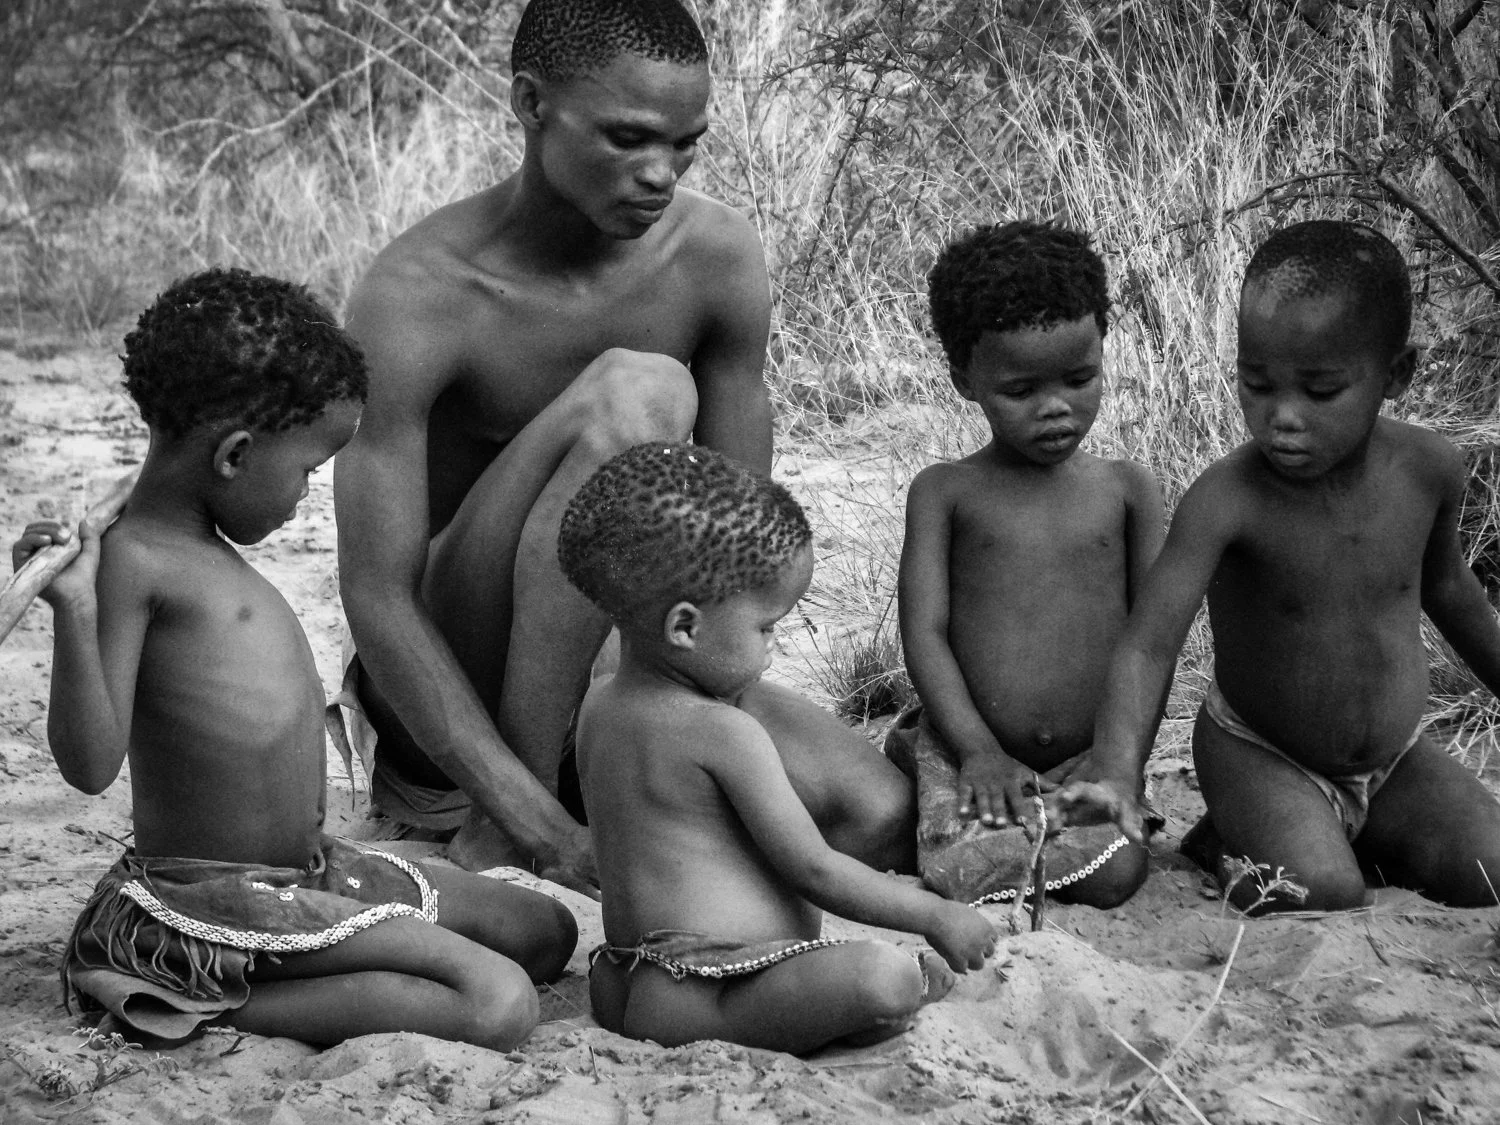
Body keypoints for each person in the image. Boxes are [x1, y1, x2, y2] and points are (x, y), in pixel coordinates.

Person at [333, 0, 912, 884]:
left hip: (620, 671)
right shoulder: (419, 294)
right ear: (531, 103)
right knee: (639, 395)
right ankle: (523, 810)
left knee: (876, 816)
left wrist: (705, 723)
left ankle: (592, 776)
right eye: (628, 138)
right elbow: (378, 597)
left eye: (685, 145)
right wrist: (534, 821)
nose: (660, 173)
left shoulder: (714, 258)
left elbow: (729, 552)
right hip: (452, 704)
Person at [10, 268, 577, 1048]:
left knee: (542, 929)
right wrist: (75, 610)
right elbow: (88, 762)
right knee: (497, 1001)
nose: (306, 492)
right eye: (307, 469)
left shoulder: (200, 549)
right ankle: (205, 997)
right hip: (214, 903)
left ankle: (297, 962)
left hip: (311, 872)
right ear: (236, 456)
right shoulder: (133, 564)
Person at [1060, 220, 1500, 913]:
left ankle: (1333, 832)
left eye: (1320, 391)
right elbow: (1149, 644)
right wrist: (1118, 769)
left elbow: (1452, 591)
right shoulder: (1228, 499)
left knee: (1491, 869)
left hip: (1393, 760)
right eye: (1257, 384)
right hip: (1260, 752)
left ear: (1396, 374)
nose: (1282, 417)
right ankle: (1232, 837)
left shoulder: (1428, 470)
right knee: (1321, 890)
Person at [558, 443, 996, 1053]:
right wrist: (935, 916)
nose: (772, 646)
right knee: (883, 976)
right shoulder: (722, 731)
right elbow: (814, 869)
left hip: (623, 979)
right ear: (684, 627)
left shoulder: (600, 705)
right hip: (712, 985)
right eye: (766, 627)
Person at [885, 221, 1166, 908]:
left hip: (1092, 755)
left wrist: (1121, 755)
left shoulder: (1129, 489)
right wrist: (977, 749)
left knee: (1113, 873)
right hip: (971, 751)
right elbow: (924, 634)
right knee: (962, 869)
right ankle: (931, 782)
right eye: (1020, 389)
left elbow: (1153, 640)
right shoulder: (945, 492)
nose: (1055, 408)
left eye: (1080, 378)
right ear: (966, 380)